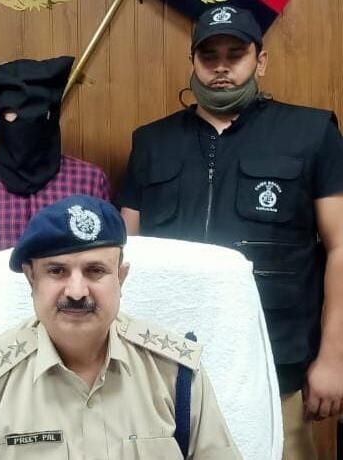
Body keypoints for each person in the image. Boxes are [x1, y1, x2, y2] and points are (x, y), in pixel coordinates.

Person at [118, 6, 343, 458]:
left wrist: (334, 358)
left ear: (261, 61)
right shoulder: (152, 143)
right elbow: (125, 257)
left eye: (235, 54)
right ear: (193, 61)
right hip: (166, 370)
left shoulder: (312, 132)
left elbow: (340, 247)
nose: (221, 67)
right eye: (209, 55)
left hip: (275, 367)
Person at [0, 195, 240, 459]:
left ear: (121, 278)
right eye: (57, 271)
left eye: (95, 270)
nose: (76, 291)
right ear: (31, 279)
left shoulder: (174, 372)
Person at [0, 57, 113, 375]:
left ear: (52, 116)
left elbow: (107, 269)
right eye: (9, 116)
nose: (21, 127)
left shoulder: (89, 182)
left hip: (75, 340)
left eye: (34, 117)